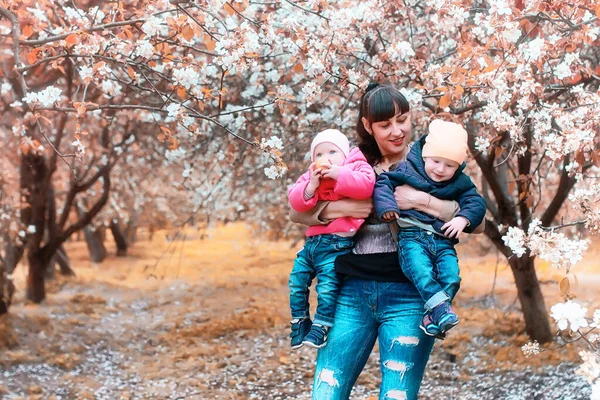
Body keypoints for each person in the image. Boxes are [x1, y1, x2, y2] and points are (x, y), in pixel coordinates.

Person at [289, 83, 485, 400]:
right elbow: (297, 210)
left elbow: (479, 219)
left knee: (397, 394)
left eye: (403, 120)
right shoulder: (351, 162)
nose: (397, 131)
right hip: (352, 291)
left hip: (410, 294)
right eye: (385, 125)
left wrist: (420, 201)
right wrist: (346, 208)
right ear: (368, 126)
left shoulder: (431, 160)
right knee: (326, 391)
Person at [373, 119, 486, 338]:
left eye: (450, 165)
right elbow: (384, 183)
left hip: (442, 239)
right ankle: (440, 310)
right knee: (421, 271)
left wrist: (462, 218)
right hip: (412, 237)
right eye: (435, 161)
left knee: (452, 277)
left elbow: (476, 203)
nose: (441, 169)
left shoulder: (460, 182)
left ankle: (433, 315)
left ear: (459, 166)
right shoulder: (408, 169)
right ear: (425, 155)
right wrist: (387, 207)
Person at [287, 129, 375, 349]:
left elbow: (365, 187)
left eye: (332, 151)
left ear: (345, 154)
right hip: (313, 243)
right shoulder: (311, 176)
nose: (325, 158)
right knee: (296, 281)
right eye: (319, 154)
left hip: (337, 243)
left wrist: (338, 173)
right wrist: (312, 186)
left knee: (327, 287)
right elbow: (295, 204)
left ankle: (322, 325)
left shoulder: (355, 166)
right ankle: (300, 321)